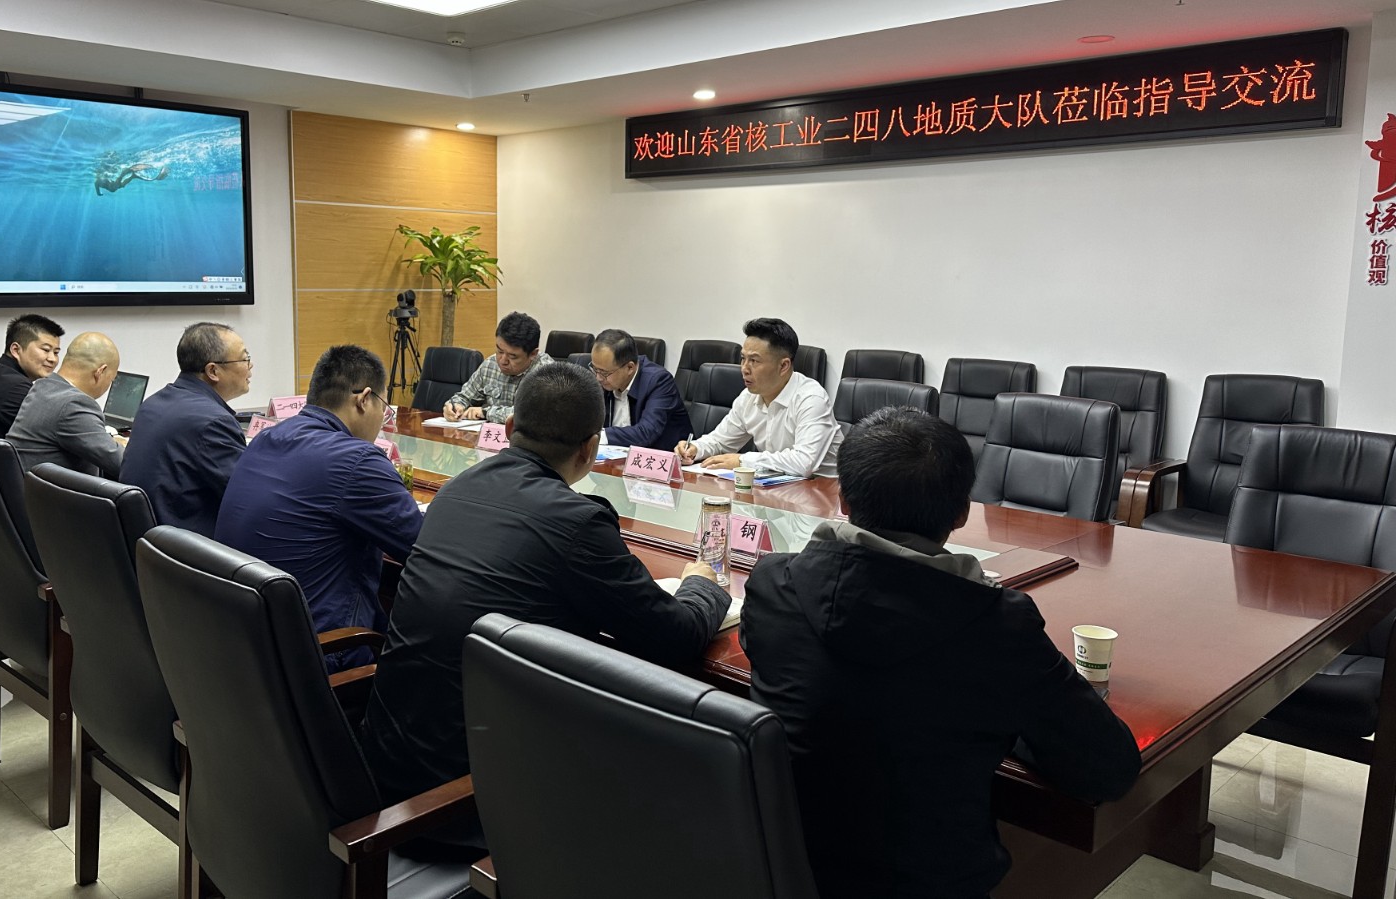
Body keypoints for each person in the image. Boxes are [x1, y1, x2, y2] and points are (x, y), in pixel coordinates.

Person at [739, 406, 1142, 899]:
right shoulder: (999, 625)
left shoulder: (771, 585)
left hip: (786, 869)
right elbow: (1108, 767)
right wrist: (1009, 718)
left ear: (842, 499)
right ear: (962, 513)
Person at [361, 362, 732, 834]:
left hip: (384, 774)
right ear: (590, 448)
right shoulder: (578, 522)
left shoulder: (455, 490)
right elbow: (675, 638)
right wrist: (703, 584)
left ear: (510, 427)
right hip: (471, 801)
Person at [215, 345, 422, 673]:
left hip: (248, 647)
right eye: (384, 408)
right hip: (325, 656)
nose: (383, 421)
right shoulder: (357, 460)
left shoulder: (266, 439)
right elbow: (425, 547)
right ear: (364, 399)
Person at [119, 322, 251, 538]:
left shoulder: (153, 403)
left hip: (148, 541)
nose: (250, 366)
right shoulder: (213, 422)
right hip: (187, 547)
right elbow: (247, 497)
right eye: (245, 359)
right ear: (213, 371)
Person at [675, 317, 842, 478]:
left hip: (824, 488)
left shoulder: (811, 398)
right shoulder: (748, 397)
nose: (744, 369)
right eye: (743, 359)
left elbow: (804, 462)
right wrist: (695, 448)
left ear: (783, 366)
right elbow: (720, 442)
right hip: (777, 487)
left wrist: (742, 460)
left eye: (754, 361)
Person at [6, 332, 123, 477]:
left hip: (25, 484)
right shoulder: (75, 404)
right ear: (100, 371)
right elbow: (123, 464)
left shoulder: (42, 386)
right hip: (49, 490)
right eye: (111, 379)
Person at [589, 328, 690, 450]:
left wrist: (598, 435)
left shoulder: (659, 381)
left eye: (604, 373)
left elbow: (646, 433)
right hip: (614, 455)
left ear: (630, 368)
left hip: (663, 457)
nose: (598, 377)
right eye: (595, 369)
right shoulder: (604, 379)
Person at [442, 311, 551, 424]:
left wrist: (486, 412)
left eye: (512, 356)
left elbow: (531, 415)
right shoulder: (491, 364)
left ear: (533, 354)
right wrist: (454, 406)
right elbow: (465, 396)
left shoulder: (547, 374)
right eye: (500, 351)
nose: (503, 361)